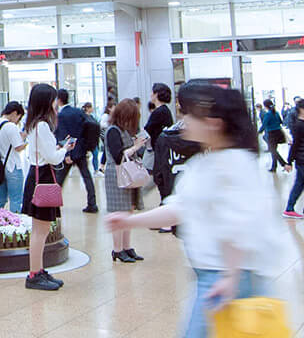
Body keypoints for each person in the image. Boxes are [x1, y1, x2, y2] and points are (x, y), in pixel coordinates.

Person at [106, 85, 285, 338]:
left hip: (228, 278)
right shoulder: (206, 163)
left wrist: (231, 277)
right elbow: (180, 207)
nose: (183, 121)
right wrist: (129, 220)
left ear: (212, 123)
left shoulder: (232, 164)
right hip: (216, 276)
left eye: (188, 114)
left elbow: (238, 224)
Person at [21, 83, 74, 291]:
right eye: (53, 99)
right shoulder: (42, 126)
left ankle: (38, 270)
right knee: (40, 230)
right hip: (42, 177)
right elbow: (51, 157)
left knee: (40, 229)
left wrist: (59, 149)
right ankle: (34, 274)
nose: (56, 103)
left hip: (38, 177)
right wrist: (65, 150)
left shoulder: (35, 124)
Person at [104, 98, 147, 263]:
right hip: (117, 175)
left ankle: (127, 247)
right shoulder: (113, 131)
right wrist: (135, 147)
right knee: (119, 213)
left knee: (128, 212)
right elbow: (118, 156)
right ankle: (117, 249)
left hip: (128, 176)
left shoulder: (126, 130)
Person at [55, 88, 98, 213]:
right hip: (81, 150)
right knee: (87, 176)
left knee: (59, 180)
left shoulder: (61, 115)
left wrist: (67, 153)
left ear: (59, 100)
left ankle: (54, 205)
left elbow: (64, 135)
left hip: (69, 151)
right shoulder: (78, 111)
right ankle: (92, 203)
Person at [0, 101, 27, 213]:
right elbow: (18, 147)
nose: (18, 120)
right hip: (12, 166)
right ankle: (16, 224)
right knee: (15, 199)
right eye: (19, 117)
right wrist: (26, 141)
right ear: (15, 113)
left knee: (0, 199)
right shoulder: (11, 127)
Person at [283, 98, 304, 219]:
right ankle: (289, 208)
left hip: (301, 158)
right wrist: (289, 161)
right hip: (302, 159)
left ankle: (290, 208)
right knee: (299, 184)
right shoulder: (298, 125)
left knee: (300, 184)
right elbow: (295, 144)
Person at [258, 99, 288, 172]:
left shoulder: (268, 114)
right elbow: (281, 122)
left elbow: (264, 124)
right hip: (278, 133)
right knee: (274, 150)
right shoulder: (276, 113)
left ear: (265, 106)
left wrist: (258, 132)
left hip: (272, 134)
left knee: (273, 150)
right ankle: (274, 167)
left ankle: (284, 164)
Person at [82, 102, 101, 171]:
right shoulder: (84, 117)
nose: (92, 109)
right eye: (91, 107)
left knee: (95, 154)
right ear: (87, 108)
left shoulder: (92, 117)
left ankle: (96, 170)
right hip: (88, 140)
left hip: (94, 139)